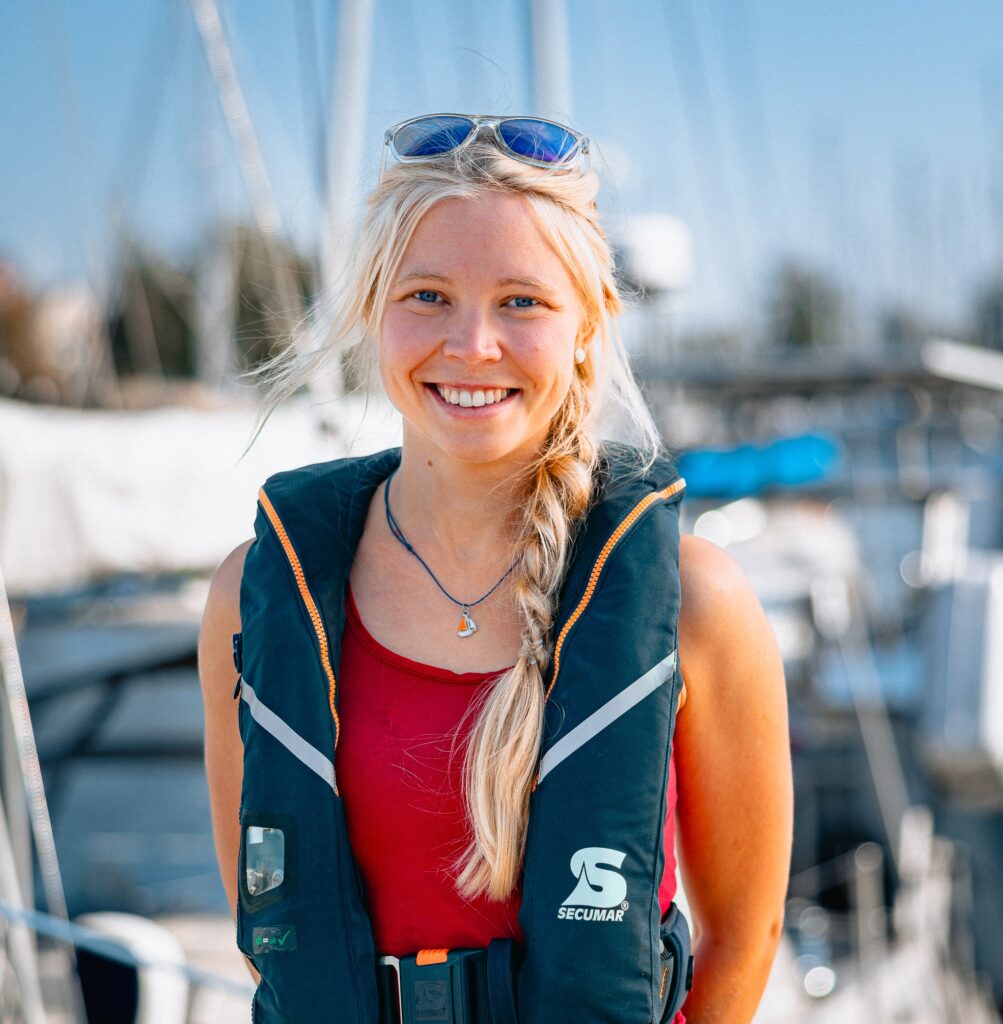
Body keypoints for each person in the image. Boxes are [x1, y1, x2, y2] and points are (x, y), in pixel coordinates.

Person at [199, 114, 792, 1024]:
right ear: (371, 309)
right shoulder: (252, 602)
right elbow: (267, 930)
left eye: (522, 301)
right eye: (427, 295)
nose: (472, 345)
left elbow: (741, 941)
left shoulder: (697, 603)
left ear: (591, 325)